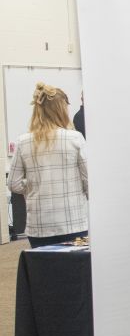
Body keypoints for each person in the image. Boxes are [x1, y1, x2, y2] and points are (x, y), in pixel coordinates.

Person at [8, 83, 88, 248]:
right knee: (74, 272)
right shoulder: (75, 138)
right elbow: (89, 181)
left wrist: (31, 184)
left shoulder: (23, 141)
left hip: (38, 227)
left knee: (43, 271)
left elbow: (14, 184)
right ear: (61, 109)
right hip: (73, 223)